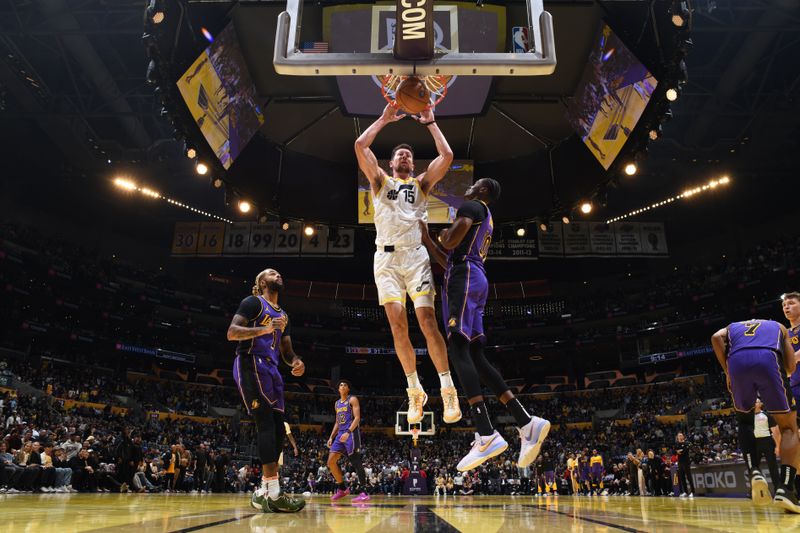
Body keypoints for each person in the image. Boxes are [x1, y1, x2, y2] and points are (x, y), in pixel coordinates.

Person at [420, 178, 549, 471]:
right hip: (471, 276)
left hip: (464, 279)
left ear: (484, 191)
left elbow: (451, 241)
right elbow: (449, 257)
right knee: (476, 355)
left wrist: (441, 236)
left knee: (457, 348)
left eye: (475, 183)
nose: (468, 186)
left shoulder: (472, 205)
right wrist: (429, 241)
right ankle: (526, 423)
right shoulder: (484, 216)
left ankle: (486, 431)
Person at [354, 104, 461, 425]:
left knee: (428, 323)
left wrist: (430, 123)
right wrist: (384, 118)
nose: (404, 157)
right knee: (398, 326)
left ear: (413, 164)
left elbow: (448, 157)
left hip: (415, 258)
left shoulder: (421, 185)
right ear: (390, 163)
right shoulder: (379, 181)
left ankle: (447, 388)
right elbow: (360, 146)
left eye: (408, 156)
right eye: (399, 155)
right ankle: (415, 389)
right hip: (385, 260)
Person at [227, 268, 306, 513]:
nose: (278, 274)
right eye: (272, 273)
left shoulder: (284, 316)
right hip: (250, 362)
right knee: (265, 423)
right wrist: (265, 329)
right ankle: (274, 492)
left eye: (280, 273)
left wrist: (296, 362)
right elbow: (232, 333)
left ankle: (263, 490)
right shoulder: (253, 303)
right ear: (262, 282)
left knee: (279, 429)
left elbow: (286, 350)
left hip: (272, 369)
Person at [711, 318, 800, 512]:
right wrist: (777, 375)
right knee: (789, 427)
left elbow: (716, 337)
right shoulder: (779, 326)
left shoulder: (732, 326)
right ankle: (785, 488)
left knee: (744, 420)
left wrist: (727, 371)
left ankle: (754, 472)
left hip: (736, 361)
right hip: (768, 357)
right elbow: (792, 367)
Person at [326, 380, 370, 503]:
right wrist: (331, 436)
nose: (343, 386)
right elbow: (337, 422)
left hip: (351, 434)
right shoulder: (336, 404)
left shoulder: (352, 399)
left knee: (356, 461)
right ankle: (342, 489)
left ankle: (364, 492)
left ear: (348, 389)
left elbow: (357, 418)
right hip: (340, 435)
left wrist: (348, 432)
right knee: (330, 462)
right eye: (340, 385)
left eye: (345, 384)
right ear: (338, 389)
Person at [752, 398, 781, 493]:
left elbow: (775, 431)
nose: (754, 402)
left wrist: (777, 446)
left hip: (767, 441)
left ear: (760, 404)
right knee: (754, 467)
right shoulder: (748, 417)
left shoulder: (766, 415)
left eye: (756, 401)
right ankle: (754, 490)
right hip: (755, 443)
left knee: (772, 466)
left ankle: (777, 489)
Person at [674, 432, 695, 498]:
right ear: (677, 437)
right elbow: (674, 452)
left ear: (683, 436)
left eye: (681, 435)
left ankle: (692, 492)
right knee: (682, 477)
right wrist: (677, 451)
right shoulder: (676, 444)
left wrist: (679, 451)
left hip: (686, 461)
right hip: (680, 462)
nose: (679, 437)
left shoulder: (687, 443)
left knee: (689, 477)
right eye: (678, 436)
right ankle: (685, 492)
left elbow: (685, 450)